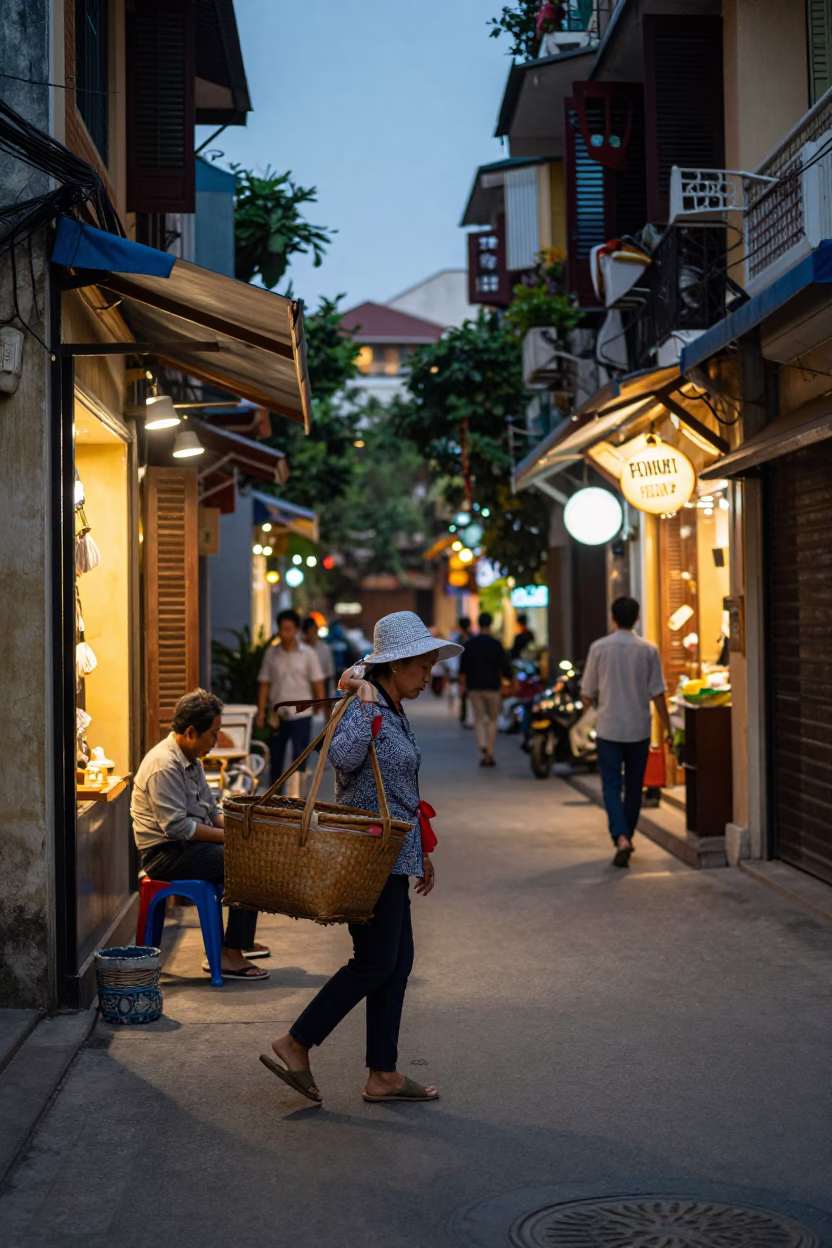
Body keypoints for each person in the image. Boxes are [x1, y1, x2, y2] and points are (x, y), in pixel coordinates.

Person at [260, 610, 462, 1106]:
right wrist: (364, 696)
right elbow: (343, 758)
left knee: (396, 963)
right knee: (375, 963)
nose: (428, 676)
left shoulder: (394, 707)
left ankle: (382, 1072)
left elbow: (401, 790)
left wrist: (421, 851)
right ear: (395, 666)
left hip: (392, 855)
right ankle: (297, 1041)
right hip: (365, 857)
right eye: (422, 667)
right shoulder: (363, 705)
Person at [131, 689, 269, 980]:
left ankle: (234, 944)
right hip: (164, 854)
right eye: (213, 734)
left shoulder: (191, 760)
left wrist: (240, 833)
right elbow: (177, 828)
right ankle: (230, 953)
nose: (216, 741)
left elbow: (210, 810)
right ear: (191, 732)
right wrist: (230, 840)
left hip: (186, 847)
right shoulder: (164, 765)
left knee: (250, 854)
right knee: (245, 864)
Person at [581, 596, 673, 868]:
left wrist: (594, 709)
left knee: (611, 786)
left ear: (613, 618)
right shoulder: (648, 650)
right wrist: (668, 728)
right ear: (637, 618)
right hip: (638, 729)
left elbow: (587, 693)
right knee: (634, 786)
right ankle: (627, 836)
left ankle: (620, 837)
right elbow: (658, 694)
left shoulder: (599, 648)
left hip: (608, 729)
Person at [257, 609, 326, 787]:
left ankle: (297, 794)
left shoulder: (307, 654)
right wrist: (261, 712)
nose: (284, 633)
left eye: (288, 629)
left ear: (296, 630)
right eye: (281, 629)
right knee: (276, 756)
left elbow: (317, 680)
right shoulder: (272, 654)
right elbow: (264, 683)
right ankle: (274, 794)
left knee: (300, 756)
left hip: (302, 713)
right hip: (277, 715)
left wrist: (319, 702)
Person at [458, 611, 514, 768]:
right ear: (490, 625)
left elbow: (463, 669)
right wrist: (511, 682)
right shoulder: (496, 644)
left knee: (478, 719)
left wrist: (462, 686)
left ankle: (482, 747)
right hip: (493, 687)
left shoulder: (470, 644)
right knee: (493, 720)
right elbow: (505, 667)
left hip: (474, 687)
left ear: (479, 624)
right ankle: (490, 750)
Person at [302, 615, 336, 696]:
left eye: (314, 631)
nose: (313, 635)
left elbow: (330, 671)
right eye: (310, 632)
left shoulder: (325, 648)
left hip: (323, 683)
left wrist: (331, 690)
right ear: (305, 633)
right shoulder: (302, 649)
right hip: (306, 686)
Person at [453, 616, 473, 726]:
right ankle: (467, 715)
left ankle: (464, 715)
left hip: (462, 668)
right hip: (471, 669)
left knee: (463, 692)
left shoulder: (458, 638)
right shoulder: (472, 637)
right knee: (468, 692)